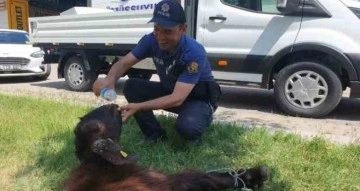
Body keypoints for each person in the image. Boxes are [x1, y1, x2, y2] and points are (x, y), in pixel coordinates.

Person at [93, 0, 221, 144]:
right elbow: (123, 63)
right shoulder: (150, 40)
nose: (160, 37)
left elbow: (177, 98)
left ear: (183, 29)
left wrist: (139, 106)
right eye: (156, 29)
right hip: (171, 91)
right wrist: (110, 79)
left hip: (198, 99)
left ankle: (202, 118)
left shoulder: (194, 52)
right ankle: (154, 135)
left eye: (167, 31)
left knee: (188, 128)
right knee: (132, 86)